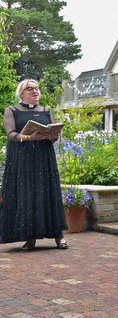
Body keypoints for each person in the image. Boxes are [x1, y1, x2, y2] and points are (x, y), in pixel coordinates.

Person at [0, 79, 69, 250]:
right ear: (21, 92)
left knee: (49, 194)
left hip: (44, 160)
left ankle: (59, 237)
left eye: (37, 88)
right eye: (30, 89)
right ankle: (30, 238)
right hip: (22, 162)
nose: (35, 91)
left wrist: (52, 134)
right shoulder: (11, 111)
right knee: (27, 196)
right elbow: (10, 134)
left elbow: (55, 136)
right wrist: (30, 138)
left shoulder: (46, 110)